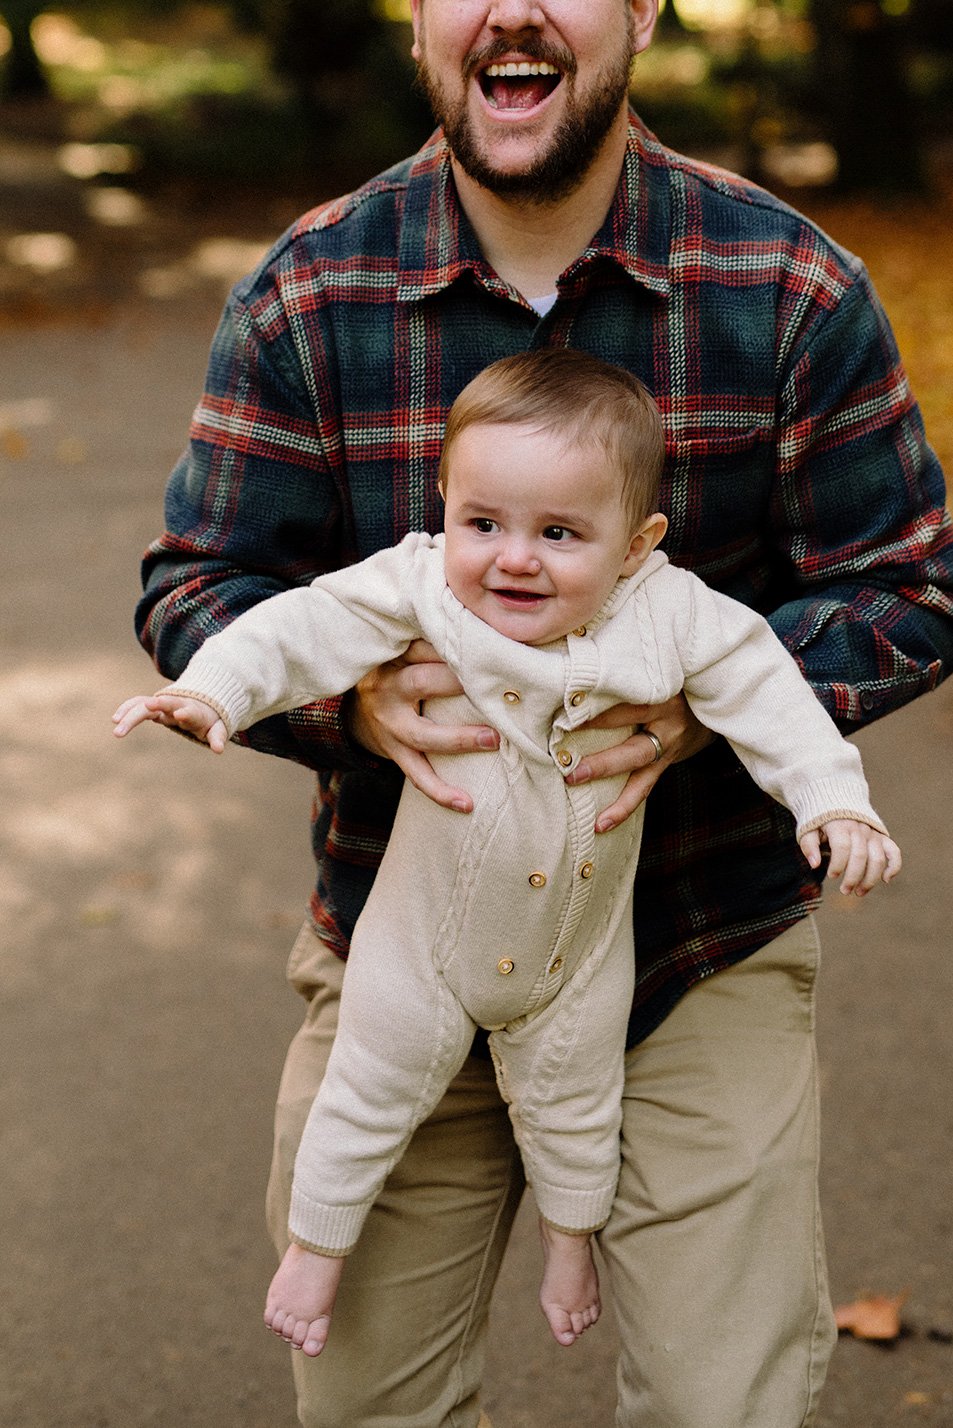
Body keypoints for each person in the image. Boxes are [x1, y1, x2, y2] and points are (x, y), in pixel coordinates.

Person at [131, 2, 953, 1423]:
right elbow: (205, 578)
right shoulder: (312, 288)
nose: (510, 8)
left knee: (726, 1402)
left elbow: (909, 582)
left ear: (639, 9)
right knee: (366, 1395)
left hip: (698, 936)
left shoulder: (786, 283)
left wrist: (712, 706)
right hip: (410, 926)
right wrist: (356, 702)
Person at [114, 347, 901, 1357]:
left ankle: (568, 1244)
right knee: (364, 1087)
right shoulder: (418, 586)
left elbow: (771, 700)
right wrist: (213, 691)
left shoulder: (674, 616)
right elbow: (293, 631)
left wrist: (835, 805)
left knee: (577, 1104)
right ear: (445, 506)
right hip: (422, 945)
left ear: (635, 544)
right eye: (481, 524)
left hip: (574, 953)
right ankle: (316, 1250)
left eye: (558, 533)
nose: (512, 558)